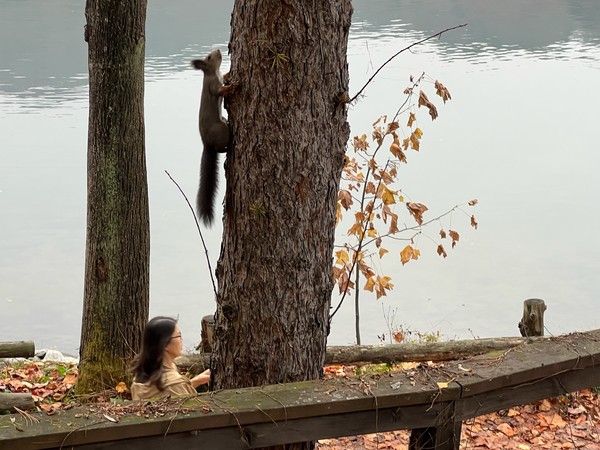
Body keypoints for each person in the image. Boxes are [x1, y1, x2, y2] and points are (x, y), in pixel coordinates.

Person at [130, 316, 210, 400]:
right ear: (165, 344)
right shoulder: (175, 385)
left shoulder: (141, 376)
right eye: (179, 336)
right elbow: (193, 406)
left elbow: (165, 392)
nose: (181, 339)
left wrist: (196, 381)